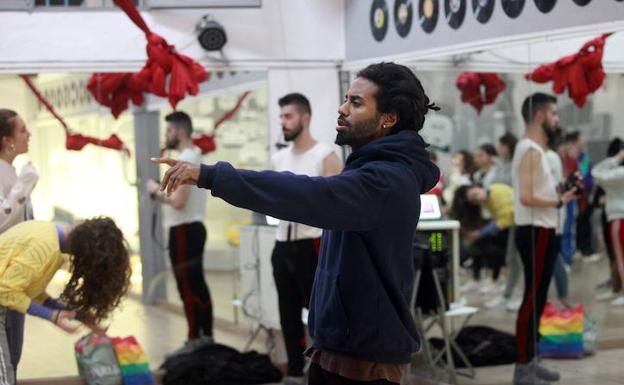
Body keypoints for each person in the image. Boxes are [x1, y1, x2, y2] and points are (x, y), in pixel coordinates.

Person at [152, 62, 440, 385]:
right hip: (340, 346)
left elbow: (307, 194)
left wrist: (211, 175)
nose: (342, 108)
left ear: (388, 118)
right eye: (346, 98)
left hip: (366, 359)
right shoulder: (368, 171)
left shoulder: (386, 181)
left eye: (356, 103)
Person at [0, 218, 131, 385]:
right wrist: (52, 316)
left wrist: (78, 316)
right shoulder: (45, 247)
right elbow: (4, 290)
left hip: (6, 305)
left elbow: (31, 291)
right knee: (4, 377)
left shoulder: (55, 244)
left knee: (9, 367)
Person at [271, 93, 342, 385]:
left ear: (305, 117)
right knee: (286, 312)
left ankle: (326, 370)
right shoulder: (278, 158)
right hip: (282, 242)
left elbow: (333, 206)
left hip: (311, 244)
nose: (284, 122)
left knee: (321, 313)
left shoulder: (326, 155)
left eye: (288, 116)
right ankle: (293, 370)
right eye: (282, 117)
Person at [511, 93, 578, 385]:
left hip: (544, 228)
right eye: (553, 114)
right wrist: (558, 202)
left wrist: (560, 193)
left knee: (538, 299)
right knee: (532, 298)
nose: (557, 119)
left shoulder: (535, 150)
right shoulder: (529, 150)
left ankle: (532, 358)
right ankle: (523, 367)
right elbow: (526, 197)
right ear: (539, 116)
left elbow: (539, 191)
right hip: (535, 228)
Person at [147, 111, 214, 355]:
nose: (166, 136)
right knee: (195, 283)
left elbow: (178, 202)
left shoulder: (186, 158)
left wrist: (155, 191)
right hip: (188, 228)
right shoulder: (191, 157)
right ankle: (204, 336)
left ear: (181, 132)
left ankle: (196, 337)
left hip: (186, 228)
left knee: (188, 284)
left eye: (169, 131)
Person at [0, 109, 38, 377]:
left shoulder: (14, 173)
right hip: (3, 275)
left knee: (14, 353)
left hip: (19, 273)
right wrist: (23, 188)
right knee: (7, 355)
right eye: (22, 130)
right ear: (6, 140)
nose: (29, 135)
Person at [452, 183, 513, 295]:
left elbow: (505, 220)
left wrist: (480, 233)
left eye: (475, 194)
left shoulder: (496, 193)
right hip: (507, 227)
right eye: (474, 200)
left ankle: (496, 279)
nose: (477, 199)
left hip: (512, 228)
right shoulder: (488, 201)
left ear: (477, 187)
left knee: (491, 248)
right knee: (480, 244)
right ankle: (482, 279)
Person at [591, 142, 624, 306]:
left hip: (619, 217)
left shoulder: (618, 174)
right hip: (618, 216)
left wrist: (616, 158)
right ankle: (618, 289)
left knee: (620, 257)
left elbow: (596, 172)